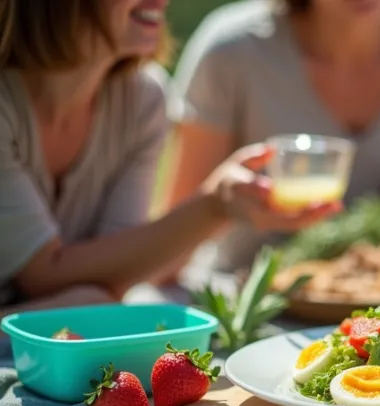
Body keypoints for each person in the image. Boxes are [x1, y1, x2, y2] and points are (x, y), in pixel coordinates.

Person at [0, 0, 339, 318]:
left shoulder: (141, 101)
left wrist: (222, 204)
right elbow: (43, 275)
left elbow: (115, 276)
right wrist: (213, 206)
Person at [164, 0, 380, 273]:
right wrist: (220, 206)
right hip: (240, 293)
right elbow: (171, 249)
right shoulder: (231, 48)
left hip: (374, 299)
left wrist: (334, 286)